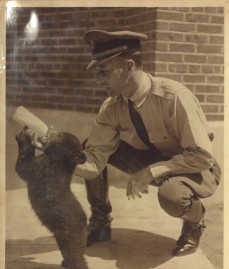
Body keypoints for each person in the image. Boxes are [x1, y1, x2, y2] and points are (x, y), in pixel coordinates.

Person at [33, 29, 221, 256]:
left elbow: (202, 155)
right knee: (85, 147)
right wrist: (61, 153)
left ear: (130, 65)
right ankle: (101, 221)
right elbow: (93, 163)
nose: (98, 79)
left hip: (195, 167)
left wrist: (151, 171)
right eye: (97, 72)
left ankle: (194, 222)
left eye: (104, 71)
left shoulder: (174, 97)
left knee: (172, 196)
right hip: (151, 160)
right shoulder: (112, 106)